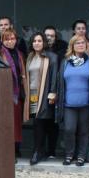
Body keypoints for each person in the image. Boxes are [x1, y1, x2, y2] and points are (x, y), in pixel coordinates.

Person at [56, 36, 89, 166]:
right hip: (68, 104)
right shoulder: (65, 62)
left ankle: (81, 156)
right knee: (69, 129)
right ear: (72, 45)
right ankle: (69, 154)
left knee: (84, 131)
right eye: (77, 43)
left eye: (83, 42)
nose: (80, 44)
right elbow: (59, 83)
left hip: (86, 104)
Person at [24, 32, 58, 165]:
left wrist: (53, 93)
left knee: (41, 121)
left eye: (39, 41)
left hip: (45, 93)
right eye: (34, 41)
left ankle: (37, 152)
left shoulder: (52, 57)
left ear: (44, 42)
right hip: (32, 94)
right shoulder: (30, 57)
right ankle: (41, 150)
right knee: (38, 122)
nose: (36, 43)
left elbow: (55, 76)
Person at [0, 28, 29, 159]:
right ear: (2, 40)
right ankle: (8, 151)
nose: (10, 41)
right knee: (6, 124)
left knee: (16, 123)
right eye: (7, 39)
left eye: (12, 38)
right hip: (4, 94)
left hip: (17, 94)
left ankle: (16, 149)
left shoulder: (20, 54)